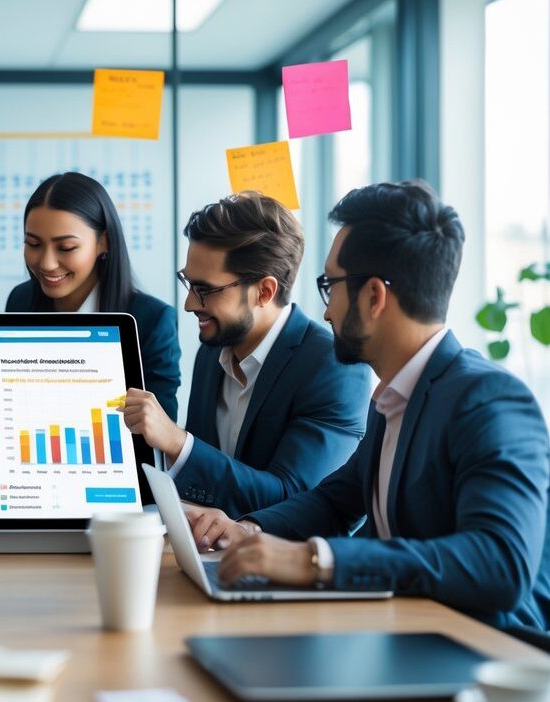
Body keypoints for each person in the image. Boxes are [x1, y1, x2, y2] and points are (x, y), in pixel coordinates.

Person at [185, 181, 550, 629]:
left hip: (482, 654)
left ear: (374, 297)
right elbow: (334, 502)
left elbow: (500, 563)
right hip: (398, 635)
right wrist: (249, 530)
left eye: (329, 286)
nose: (325, 312)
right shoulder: (396, 397)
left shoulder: (489, 401)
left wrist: (316, 560)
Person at [120, 192, 372, 518]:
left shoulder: (333, 367)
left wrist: (178, 443)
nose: (190, 304)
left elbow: (294, 501)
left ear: (264, 292)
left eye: (205, 290)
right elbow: (204, 486)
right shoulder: (212, 352)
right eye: (188, 283)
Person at [5, 172, 181, 420]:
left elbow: (160, 435)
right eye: (33, 244)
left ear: (104, 243)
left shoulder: (151, 322)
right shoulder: (20, 301)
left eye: (66, 248)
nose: (47, 263)